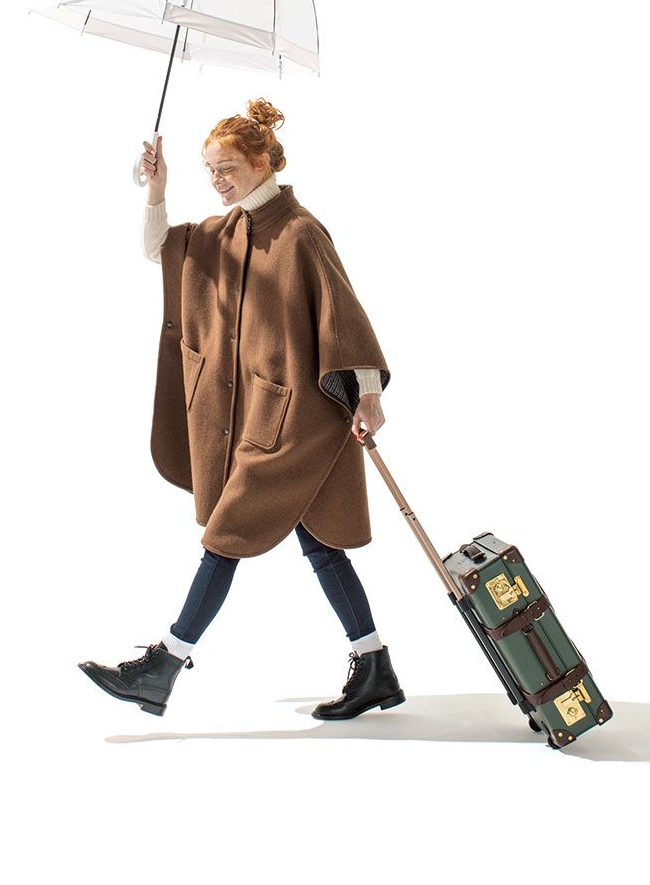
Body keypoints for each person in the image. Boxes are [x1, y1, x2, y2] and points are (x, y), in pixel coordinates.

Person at [78, 98, 405, 720]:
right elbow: (157, 250)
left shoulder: (302, 232)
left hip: (298, 419)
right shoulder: (220, 233)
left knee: (226, 534)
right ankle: (375, 667)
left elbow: (343, 314)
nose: (218, 180)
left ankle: (163, 667)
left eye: (226, 167)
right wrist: (158, 187)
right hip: (256, 414)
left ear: (263, 162)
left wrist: (369, 394)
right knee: (320, 543)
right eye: (209, 170)